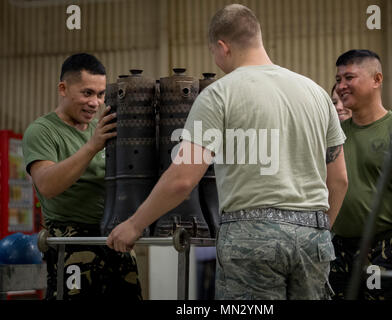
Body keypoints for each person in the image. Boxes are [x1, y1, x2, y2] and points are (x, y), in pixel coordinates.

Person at [107, 4, 348, 300]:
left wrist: (134, 224)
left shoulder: (219, 95)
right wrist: (317, 232)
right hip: (314, 235)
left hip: (251, 239)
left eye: (213, 52)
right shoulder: (316, 93)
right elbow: (339, 180)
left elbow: (183, 178)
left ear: (222, 47)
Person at [22, 53, 142, 300]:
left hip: (114, 237)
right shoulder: (43, 131)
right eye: (87, 93)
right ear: (63, 89)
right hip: (72, 242)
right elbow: (46, 184)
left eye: (100, 95)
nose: (95, 103)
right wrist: (92, 146)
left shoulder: (102, 130)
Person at [330, 49, 392, 300]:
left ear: (377, 80)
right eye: (338, 80)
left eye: (349, 78)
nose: (341, 86)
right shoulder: (335, 135)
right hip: (340, 251)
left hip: (385, 250)